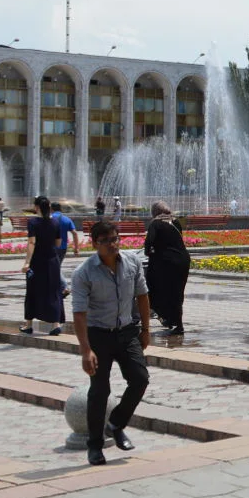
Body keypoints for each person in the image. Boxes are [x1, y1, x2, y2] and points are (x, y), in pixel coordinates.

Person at [72, 219, 151, 466]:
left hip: (127, 332)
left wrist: (146, 330)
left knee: (140, 378)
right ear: (94, 244)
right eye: (105, 241)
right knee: (100, 391)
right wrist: (86, 350)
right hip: (98, 335)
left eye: (115, 238)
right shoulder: (84, 273)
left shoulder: (132, 262)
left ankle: (116, 424)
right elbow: (79, 314)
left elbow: (143, 295)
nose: (112, 244)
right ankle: (95, 447)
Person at [20, 195, 65, 336]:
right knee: (53, 290)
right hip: (52, 261)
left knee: (32, 290)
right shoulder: (56, 222)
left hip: (37, 261)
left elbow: (32, 242)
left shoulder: (33, 222)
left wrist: (27, 262)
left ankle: (28, 325)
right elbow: (58, 243)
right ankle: (55, 324)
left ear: (36, 207)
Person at [144, 201, 191, 336]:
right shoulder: (176, 222)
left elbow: (149, 244)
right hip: (183, 260)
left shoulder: (155, 223)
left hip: (167, 262)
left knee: (155, 287)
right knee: (177, 293)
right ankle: (175, 321)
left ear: (155, 212)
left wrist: (150, 252)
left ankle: (167, 317)